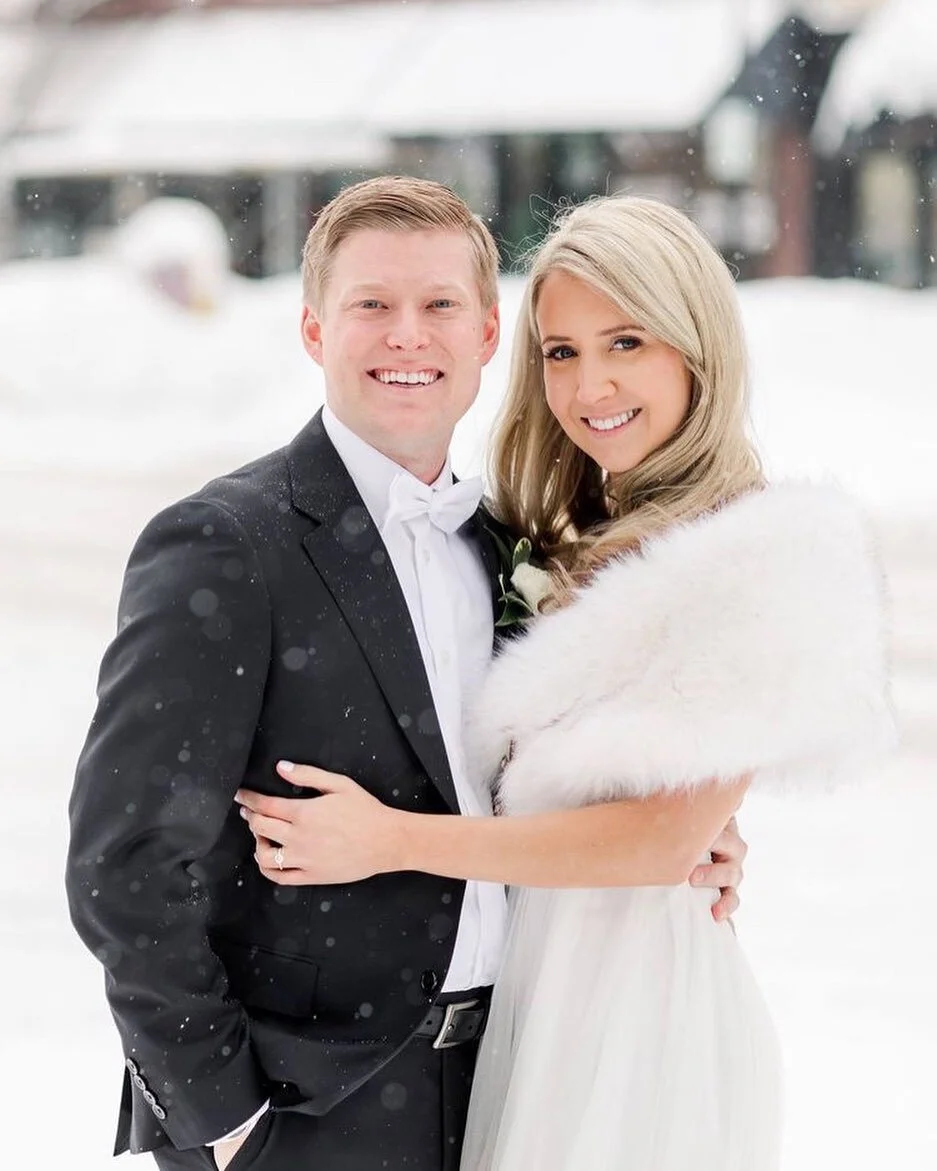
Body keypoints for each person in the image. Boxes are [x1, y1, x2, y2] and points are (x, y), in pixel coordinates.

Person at [65, 178, 747, 1171]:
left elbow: (561, 784)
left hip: (515, 1085)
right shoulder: (228, 544)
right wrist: (221, 1117)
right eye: (371, 306)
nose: (405, 336)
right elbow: (122, 865)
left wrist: (686, 835)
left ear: (484, 335)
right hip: (307, 1113)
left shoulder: (511, 540)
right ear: (312, 328)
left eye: (437, 307)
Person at [235, 196, 895, 1170]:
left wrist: (389, 842)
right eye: (560, 352)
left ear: (695, 348)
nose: (591, 385)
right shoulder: (546, 540)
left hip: (641, 1021)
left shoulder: (767, 553)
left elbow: (657, 839)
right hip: (532, 1002)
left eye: (626, 341)